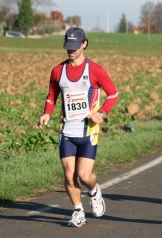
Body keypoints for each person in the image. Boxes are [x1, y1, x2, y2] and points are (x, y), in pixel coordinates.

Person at [38, 27, 119, 227]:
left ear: (85, 44)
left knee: (84, 176)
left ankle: (94, 191)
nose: (71, 50)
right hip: (67, 131)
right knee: (68, 174)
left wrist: (102, 113)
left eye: (75, 46)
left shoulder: (96, 70)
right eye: (68, 46)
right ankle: (78, 211)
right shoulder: (58, 71)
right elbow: (51, 95)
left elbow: (113, 94)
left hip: (88, 132)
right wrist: (47, 113)